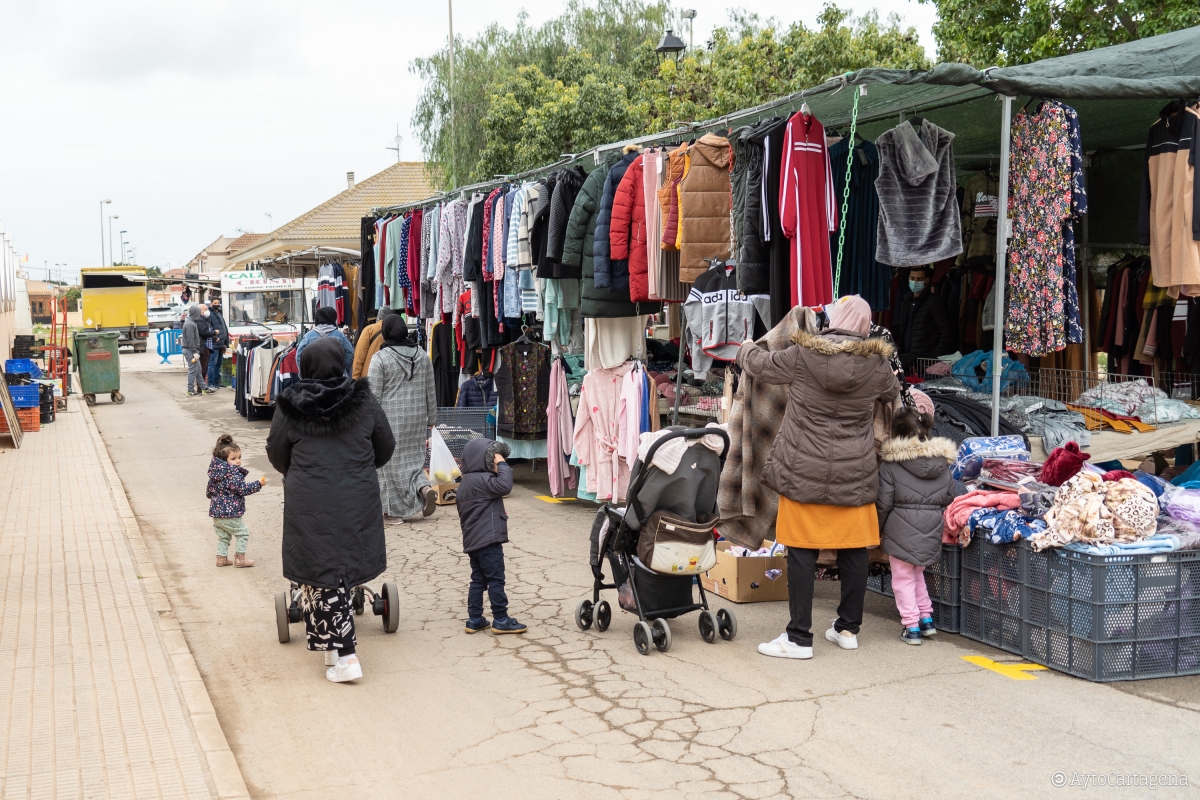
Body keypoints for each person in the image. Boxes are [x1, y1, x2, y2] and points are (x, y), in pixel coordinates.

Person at [738, 295, 901, 660]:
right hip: (854, 474)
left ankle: (798, 637)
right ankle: (847, 629)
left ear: (834, 319)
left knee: (801, 553)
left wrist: (744, 349)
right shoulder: (878, 366)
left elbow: (762, 366)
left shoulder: (804, 355)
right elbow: (892, 395)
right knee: (854, 551)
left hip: (802, 470)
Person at [266, 337, 396, 683]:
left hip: (310, 499)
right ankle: (333, 649)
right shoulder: (363, 400)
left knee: (320, 568)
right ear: (341, 362)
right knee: (342, 567)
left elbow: (278, 456)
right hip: (357, 496)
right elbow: (385, 447)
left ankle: (346, 656)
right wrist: (360, 467)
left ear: (304, 366)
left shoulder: (289, 406)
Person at [876, 407, 962, 644]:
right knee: (917, 574)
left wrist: (879, 528)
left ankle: (911, 625)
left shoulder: (891, 465)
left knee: (902, 578)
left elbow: (884, 503)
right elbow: (948, 496)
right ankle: (926, 618)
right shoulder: (942, 463)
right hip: (931, 526)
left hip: (900, 528)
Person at [368, 315, 438, 522]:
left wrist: (369, 423)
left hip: (390, 421)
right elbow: (430, 390)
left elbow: (373, 397)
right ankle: (424, 489)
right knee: (414, 460)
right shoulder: (423, 355)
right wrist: (431, 418)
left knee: (388, 466)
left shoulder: (380, 358)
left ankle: (391, 512)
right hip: (416, 419)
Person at [456, 438, 526, 634]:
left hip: (473, 542)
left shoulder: (465, 483)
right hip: (489, 540)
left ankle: (474, 619)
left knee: (478, 579)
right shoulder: (484, 481)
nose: (498, 463)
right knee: (496, 579)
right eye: (494, 459)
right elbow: (505, 486)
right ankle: (501, 618)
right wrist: (502, 463)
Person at [206, 434, 266, 567]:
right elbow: (242, 489)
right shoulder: (232, 474)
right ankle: (240, 559)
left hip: (216, 513)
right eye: (233, 459)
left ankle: (221, 559)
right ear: (223, 461)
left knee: (224, 536)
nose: (238, 461)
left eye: (239, 457)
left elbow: (209, 492)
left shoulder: (215, 474)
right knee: (242, 533)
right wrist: (258, 484)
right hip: (230, 513)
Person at [891, 266, 954, 369]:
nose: (915, 282)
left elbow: (946, 333)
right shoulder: (906, 300)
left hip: (925, 361)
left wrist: (934, 357)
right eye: (912, 278)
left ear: (927, 280)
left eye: (919, 279)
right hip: (908, 359)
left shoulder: (935, 302)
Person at [295, 307, 354, 377]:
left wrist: (305, 374)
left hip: (314, 378)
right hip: (336, 380)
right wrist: (342, 370)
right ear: (333, 318)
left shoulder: (308, 337)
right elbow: (350, 353)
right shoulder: (340, 336)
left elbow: (299, 356)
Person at [351, 307, 394, 380]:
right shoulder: (396, 330)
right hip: (390, 379)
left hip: (369, 378)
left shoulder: (369, 329)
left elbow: (359, 356)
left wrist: (355, 379)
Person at [181, 305, 207, 396]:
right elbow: (190, 339)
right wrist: (194, 352)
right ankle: (190, 390)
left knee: (198, 370)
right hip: (190, 350)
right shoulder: (190, 324)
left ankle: (204, 388)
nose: (201, 314)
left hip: (191, 350)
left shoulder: (192, 322)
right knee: (193, 370)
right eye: (200, 312)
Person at [206, 298, 230, 390]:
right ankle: (211, 383)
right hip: (214, 343)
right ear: (211, 303)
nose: (217, 304)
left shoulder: (219, 314)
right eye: (215, 303)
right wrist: (215, 338)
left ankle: (217, 382)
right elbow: (209, 328)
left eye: (218, 303)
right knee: (212, 363)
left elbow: (224, 328)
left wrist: (226, 342)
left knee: (219, 363)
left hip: (221, 344)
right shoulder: (210, 315)